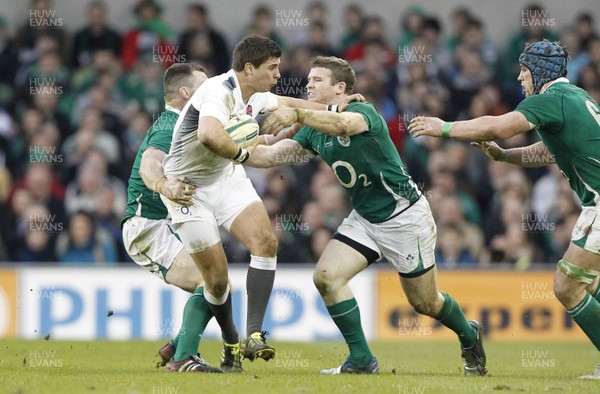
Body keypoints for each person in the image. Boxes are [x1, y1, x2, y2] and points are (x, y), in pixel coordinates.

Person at [245, 56, 486, 376]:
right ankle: (361, 359)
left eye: (317, 80)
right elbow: (275, 154)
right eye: (309, 79)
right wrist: (231, 150)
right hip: (365, 220)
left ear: (340, 88)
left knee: (426, 304)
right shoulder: (312, 130)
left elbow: (344, 126)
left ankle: (469, 335)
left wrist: (299, 113)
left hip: (404, 217)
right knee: (326, 278)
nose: (308, 85)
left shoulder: (363, 110)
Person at [161, 36, 362, 371]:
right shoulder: (217, 91)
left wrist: (337, 107)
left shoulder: (255, 95)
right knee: (216, 279)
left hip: (224, 178)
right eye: (272, 68)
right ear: (249, 68)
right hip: (187, 189)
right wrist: (241, 154)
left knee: (266, 242)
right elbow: (209, 134)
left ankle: (254, 334)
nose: (278, 74)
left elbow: (288, 103)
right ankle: (209, 349)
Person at [408, 40, 600, 379]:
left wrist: (445, 128)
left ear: (540, 73)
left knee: (567, 286)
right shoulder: (575, 98)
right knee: (590, 284)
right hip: (594, 204)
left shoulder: (550, 99)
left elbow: (499, 126)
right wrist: (503, 156)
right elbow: (549, 152)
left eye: (524, 72)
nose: (519, 79)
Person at [121, 63, 222, 373]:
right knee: (210, 282)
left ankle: (178, 345)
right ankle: (183, 358)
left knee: (219, 281)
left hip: (168, 223)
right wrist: (165, 185)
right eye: (204, 85)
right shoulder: (169, 127)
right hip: (147, 226)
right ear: (185, 92)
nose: (212, 91)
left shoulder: (190, 126)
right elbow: (149, 165)